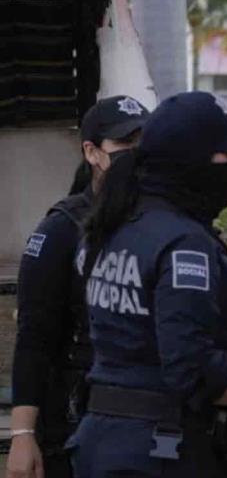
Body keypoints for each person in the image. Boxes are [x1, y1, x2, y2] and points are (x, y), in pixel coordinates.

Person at [67, 92, 227, 477]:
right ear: (195, 166)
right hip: (161, 451)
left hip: (109, 440)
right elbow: (192, 368)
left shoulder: (114, 226)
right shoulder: (182, 244)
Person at [8, 96, 150, 478]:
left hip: (146, 419)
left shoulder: (161, 222)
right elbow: (34, 337)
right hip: (75, 417)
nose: (137, 155)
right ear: (92, 152)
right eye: (125, 144)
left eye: (144, 143)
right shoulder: (63, 228)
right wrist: (23, 434)